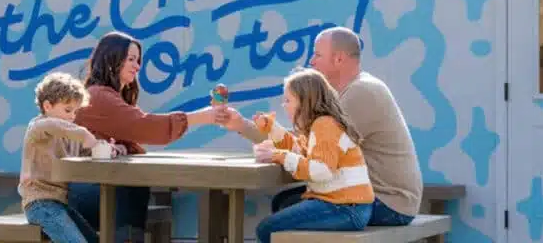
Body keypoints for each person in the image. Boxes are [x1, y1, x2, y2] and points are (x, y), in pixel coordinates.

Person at [224, 26, 422, 227]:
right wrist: (242, 125)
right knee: (285, 203)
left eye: (317, 54)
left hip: (389, 203)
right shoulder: (348, 91)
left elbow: (308, 148)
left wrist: (256, 135)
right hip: (373, 195)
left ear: (338, 59)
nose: (311, 61)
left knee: (284, 210)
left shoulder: (361, 93)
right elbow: (303, 144)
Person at [70, 31, 226, 242]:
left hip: (90, 188)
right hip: (80, 193)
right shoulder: (98, 97)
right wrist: (202, 117)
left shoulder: (106, 95)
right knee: (128, 191)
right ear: (112, 59)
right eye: (131, 59)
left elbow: (135, 131)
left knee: (132, 189)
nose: (137, 66)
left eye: (138, 60)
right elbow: (145, 126)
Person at [251, 68, 374, 242]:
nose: (283, 105)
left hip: (346, 208)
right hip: (344, 204)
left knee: (266, 229)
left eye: (288, 100)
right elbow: (298, 150)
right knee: (283, 202)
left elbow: (321, 171)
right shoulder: (318, 125)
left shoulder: (324, 125)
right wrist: (272, 128)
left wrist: (278, 155)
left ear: (305, 101)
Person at [19, 72, 103, 243]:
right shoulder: (38, 127)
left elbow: (89, 149)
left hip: (61, 203)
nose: (72, 116)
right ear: (47, 106)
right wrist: (83, 133)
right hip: (40, 203)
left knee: (93, 239)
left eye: (75, 111)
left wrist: (110, 148)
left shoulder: (70, 136)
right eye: (67, 110)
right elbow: (56, 126)